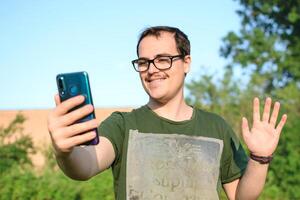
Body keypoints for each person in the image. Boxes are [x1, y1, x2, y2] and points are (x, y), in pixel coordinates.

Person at [47, 26, 287, 200]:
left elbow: (240, 197)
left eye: (163, 59)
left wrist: (259, 158)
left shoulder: (216, 127)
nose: (151, 70)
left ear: (186, 63)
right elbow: (85, 165)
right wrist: (65, 152)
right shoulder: (122, 125)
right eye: (143, 62)